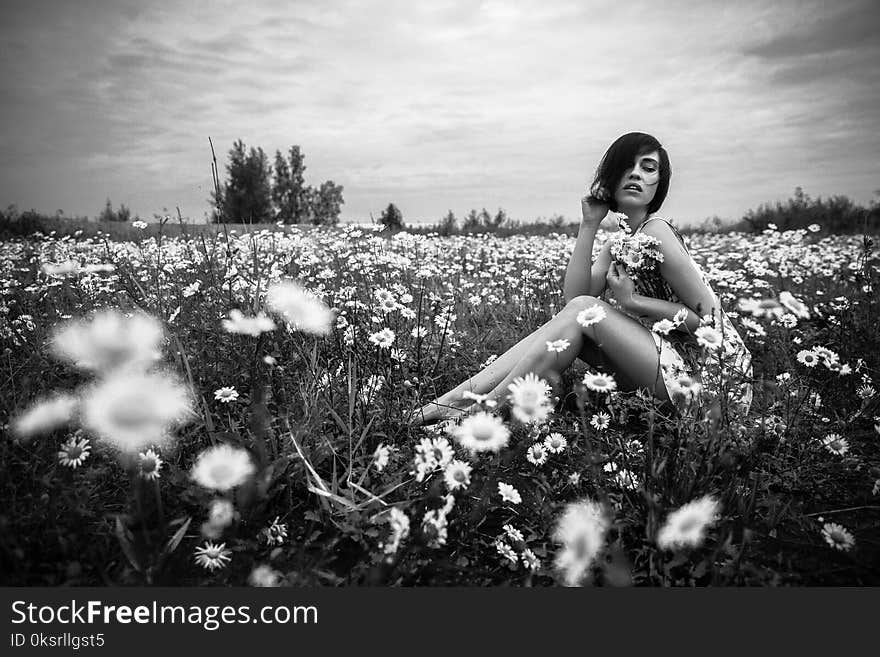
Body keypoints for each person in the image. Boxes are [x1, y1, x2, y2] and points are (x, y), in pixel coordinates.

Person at [408, 132, 753, 428]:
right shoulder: (619, 241)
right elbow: (572, 302)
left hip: (713, 384)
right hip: (665, 367)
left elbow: (712, 324)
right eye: (626, 167)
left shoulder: (658, 232)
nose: (635, 174)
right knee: (573, 319)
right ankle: (452, 401)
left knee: (586, 311)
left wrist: (634, 302)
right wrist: (589, 223)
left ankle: (475, 416)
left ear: (658, 184)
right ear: (611, 178)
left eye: (648, 168)